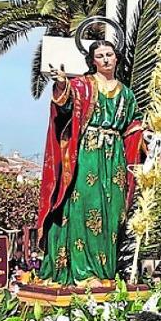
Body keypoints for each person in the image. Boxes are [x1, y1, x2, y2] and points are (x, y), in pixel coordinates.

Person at [36, 40, 144, 285]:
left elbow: (132, 126)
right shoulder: (83, 86)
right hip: (87, 154)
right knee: (87, 207)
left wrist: (147, 133)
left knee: (113, 212)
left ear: (117, 58)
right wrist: (62, 84)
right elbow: (64, 108)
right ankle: (83, 271)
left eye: (109, 54)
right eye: (100, 55)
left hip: (114, 157)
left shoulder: (126, 93)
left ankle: (105, 272)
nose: (106, 59)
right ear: (92, 60)